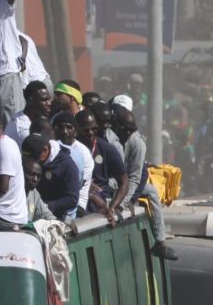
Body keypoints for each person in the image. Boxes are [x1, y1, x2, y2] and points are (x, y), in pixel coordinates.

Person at [112, 108, 177, 260]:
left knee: (151, 191)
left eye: (131, 130)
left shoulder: (137, 143)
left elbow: (135, 177)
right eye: (125, 130)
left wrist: (124, 202)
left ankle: (160, 241)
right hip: (110, 183)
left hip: (125, 184)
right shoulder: (110, 138)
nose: (128, 133)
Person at [76, 110, 128, 224]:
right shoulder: (70, 149)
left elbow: (124, 181)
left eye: (94, 129)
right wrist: (87, 187)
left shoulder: (106, 149)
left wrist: (113, 207)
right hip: (78, 195)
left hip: (100, 198)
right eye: (85, 130)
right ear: (77, 129)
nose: (90, 133)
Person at [20, 133, 80, 221]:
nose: (31, 163)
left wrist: (48, 206)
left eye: (35, 158)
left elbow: (72, 199)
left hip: (55, 215)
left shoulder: (67, 165)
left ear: (45, 150)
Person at [52, 111, 94, 217]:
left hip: (76, 204)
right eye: (60, 127)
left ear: (75, 132)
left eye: (69, 127)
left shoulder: (83, 153)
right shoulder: (50, 148)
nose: (65, 132)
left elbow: (78, 184)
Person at [6, 80, 52, 146]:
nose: (49, 103)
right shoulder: (23, 130)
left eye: (49, 99)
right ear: (30, 100)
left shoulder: (35, 119)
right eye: (44, 100)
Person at [22, 157, 56, 223]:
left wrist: (59, 224)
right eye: (31, 174)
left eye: (38, 176)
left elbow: (46, 215)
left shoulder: (35, 194)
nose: (35, 179)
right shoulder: (12, 192)